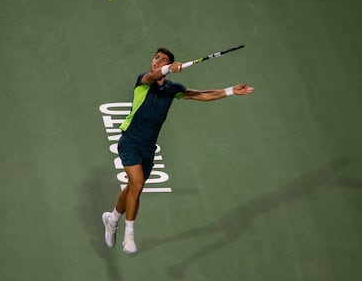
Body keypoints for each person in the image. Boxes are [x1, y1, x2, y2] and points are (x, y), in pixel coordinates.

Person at [102, 47, 254, 254]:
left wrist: (230, 91)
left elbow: (201, 95)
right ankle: (129, 235)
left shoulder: (173, 89)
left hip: (148, 147)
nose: (157, 61)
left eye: (163, 60)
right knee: (137, 185)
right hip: (130, 141)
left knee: (131, 188)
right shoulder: (143, 81)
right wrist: (168, 69)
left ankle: (111, 220)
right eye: (156, 58)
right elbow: (154, 75)